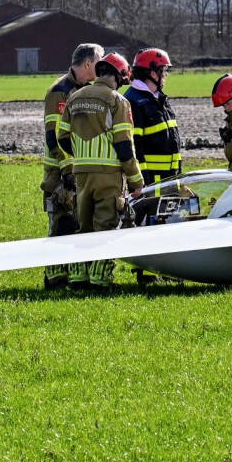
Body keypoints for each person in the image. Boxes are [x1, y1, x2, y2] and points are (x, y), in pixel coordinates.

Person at [63, 51, 144, 284]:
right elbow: (124, 145)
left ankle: (78, 277)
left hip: (81, 174)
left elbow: (62, 137)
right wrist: (136, 181)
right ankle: (100, 279)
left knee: (83, 226)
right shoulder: (117, 101)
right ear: (118, 77)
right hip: (108, 176)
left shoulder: (74, 98)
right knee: (106, 226)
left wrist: (82, 156)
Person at [40, 42, 101, 290]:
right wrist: (67, 169)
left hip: (80, 171)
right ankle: (54, 279)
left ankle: (74, 277)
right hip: (60, 173)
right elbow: (53, 136)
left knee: (77, 224)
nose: (103, 64)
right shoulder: (60, 91)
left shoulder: (86, 90)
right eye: (100, 60)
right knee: (61, 225)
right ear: (88, 63)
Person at [125, 48, 182, 184]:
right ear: (153, 73)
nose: (166, 75)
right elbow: (134, 146)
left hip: (170, 178)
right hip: (151, 183)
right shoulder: (132, 102)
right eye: (163, 70)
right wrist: (142, 181)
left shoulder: (160, 98)